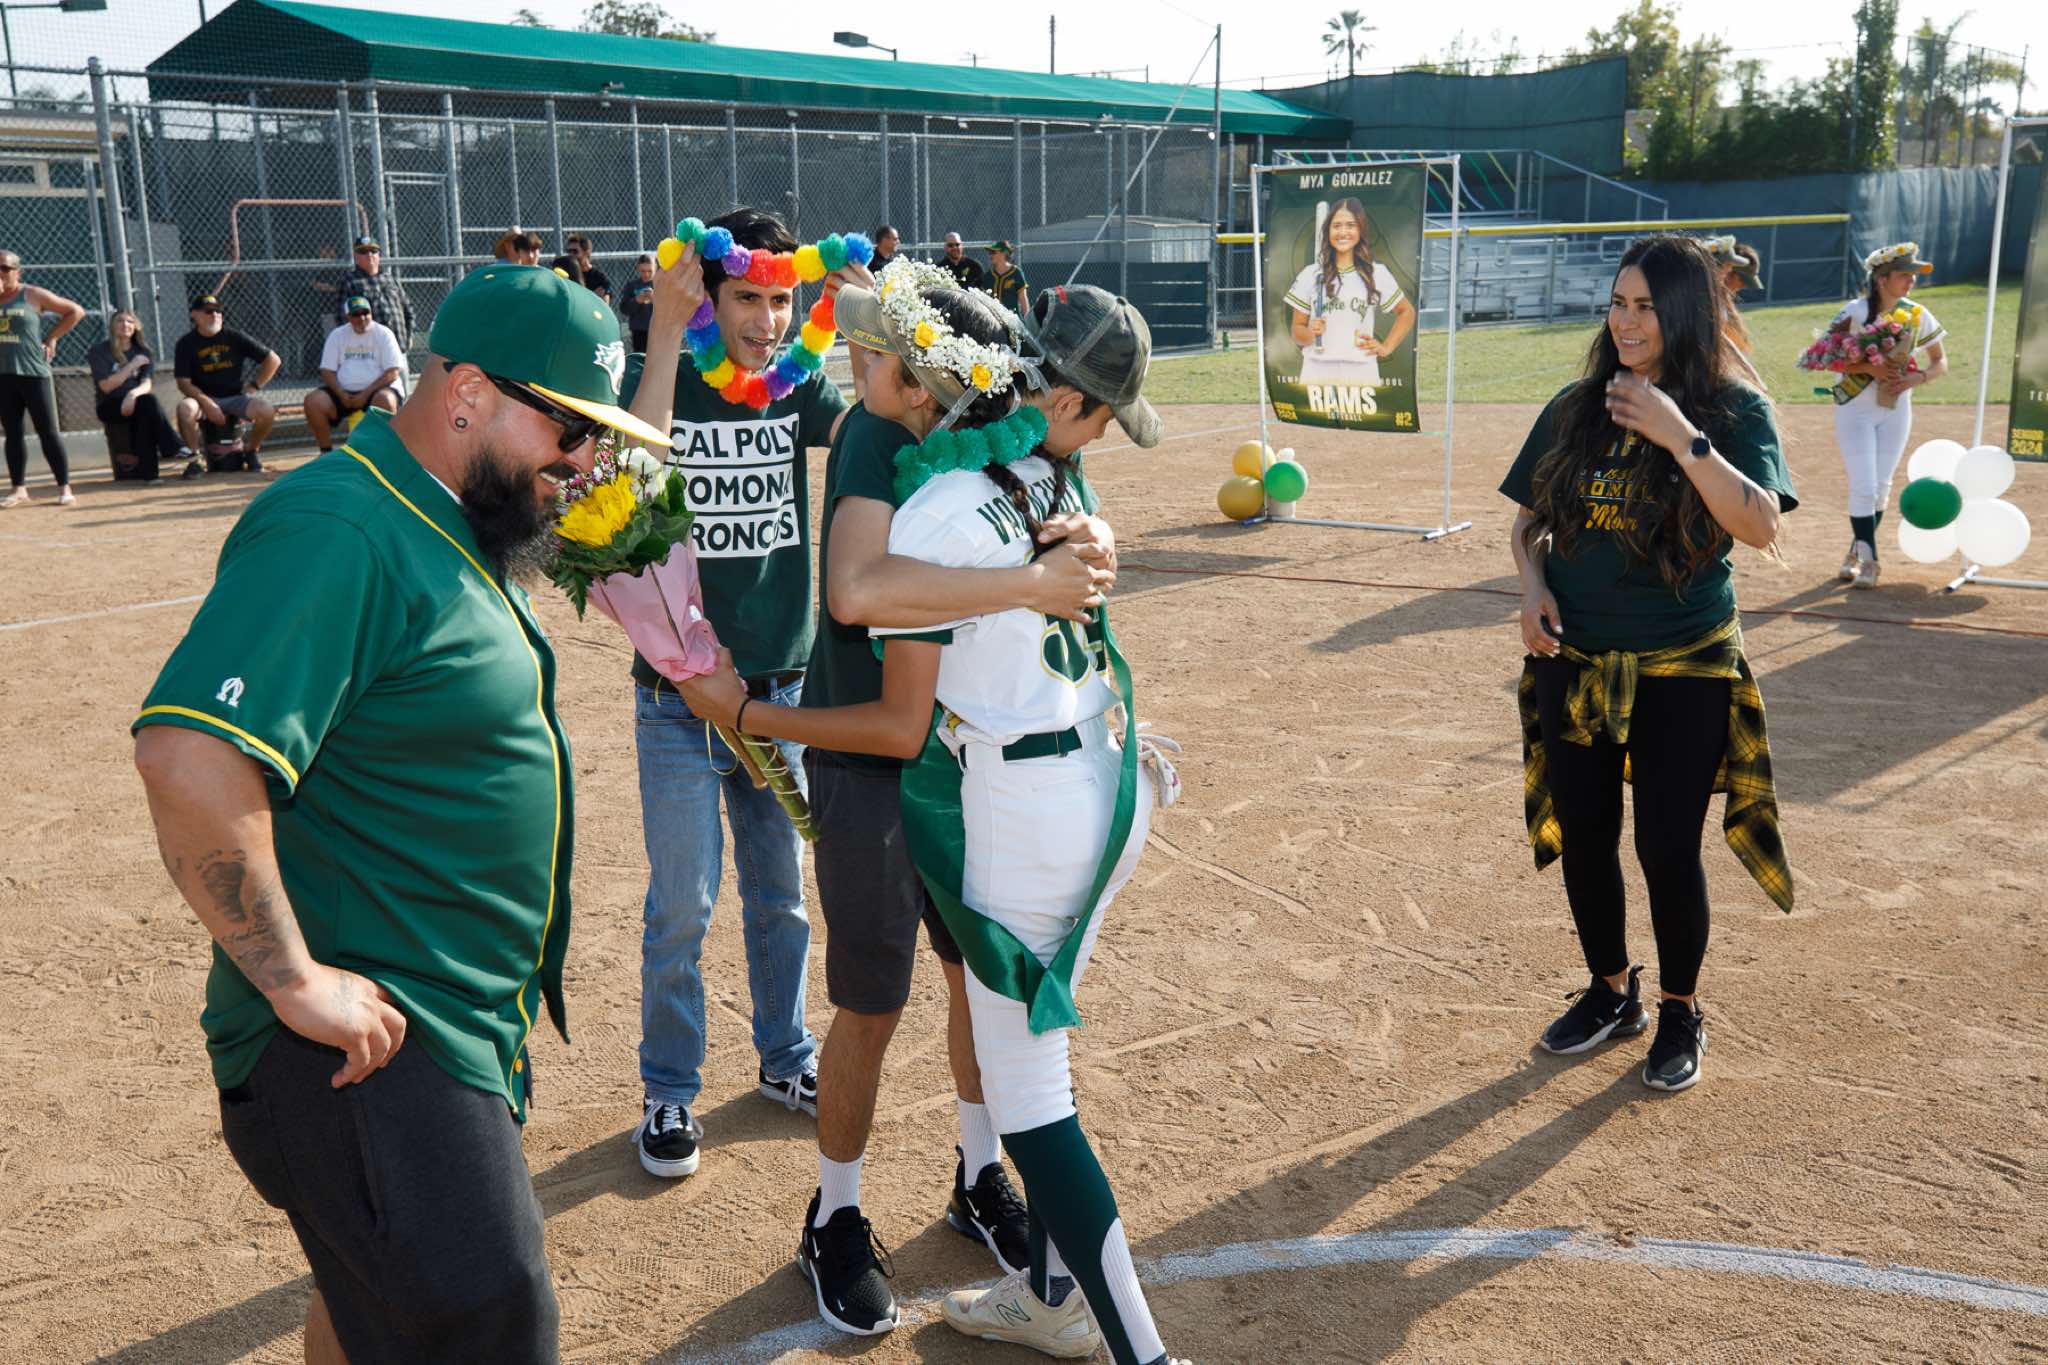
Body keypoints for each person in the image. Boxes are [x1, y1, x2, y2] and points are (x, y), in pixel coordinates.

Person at [132, 263, 672, 1365]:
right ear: (466, 393)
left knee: (368, 1302)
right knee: (489, 1320)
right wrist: (294, 981)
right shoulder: (344, 524)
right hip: (368, 1043)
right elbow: (189, 756)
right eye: (571, 430)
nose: (586, 461)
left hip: (441, 1016)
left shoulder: (448, 508)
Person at [681, 281, 1185, 1365]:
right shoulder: (916, 449)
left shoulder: (982, 468)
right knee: (888, 1004)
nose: (856, 368)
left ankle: (1007, 1206)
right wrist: (1033, 578)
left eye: (878, 357)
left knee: (1001, 1036)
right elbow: (861, 598)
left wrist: (743, 713)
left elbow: (900, 603)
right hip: (976, 768)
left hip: (986, 783)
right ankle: (855, 1218)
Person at [1501, 234, 1797, 1095]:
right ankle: (1610, 990)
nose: (1627, 323)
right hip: (1574, 657)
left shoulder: (1733, 412)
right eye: (1618, 304)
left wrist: (1680, 436)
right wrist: (1531, 585)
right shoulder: (1577, 406)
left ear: (1686, 313)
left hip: (1684, 665)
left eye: (1646, 307)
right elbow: (1528, 520)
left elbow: (1761, 526)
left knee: (1667, 846)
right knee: (1586, 835)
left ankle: (1679, 1009)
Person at [614, 206, 863, 1183]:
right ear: (708, 299)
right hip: (676, 701)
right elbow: (633, 464)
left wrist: (877, 328)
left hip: (780, 691)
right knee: (682, 903)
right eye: (746, 299)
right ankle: (669, 1088)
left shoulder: (795, 386)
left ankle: (785, 1057)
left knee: (781, 896)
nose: (766, 320)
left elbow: (871, 434)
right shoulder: (675, 379)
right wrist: (664, 333)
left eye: (780, 300)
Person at [1826, 242, 1949, 589]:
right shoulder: (1854, 311)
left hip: (1896, 408)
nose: (1912, 280)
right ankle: (1871, 562)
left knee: (1881, 487)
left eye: (1914, 275)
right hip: (1855, 409)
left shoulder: (1917, 313)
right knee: (1863, 485)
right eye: (1905, 274)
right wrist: (1869, 367)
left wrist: (1916, 378)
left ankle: (1855, 551)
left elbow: (1940, 361)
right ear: (1882, 279)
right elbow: (1828, 357)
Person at [1284, 197, 1417, 388]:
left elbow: (1407, 312)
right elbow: (1297, 332)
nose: (1343, 232)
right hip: (1317, 371)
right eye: (1336, 226)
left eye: (1350, 225)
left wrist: (1386, 347)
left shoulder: (1376, 273)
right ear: (1328, 230)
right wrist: (1311, 333)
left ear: (1360, 229)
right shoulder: (1310, 274)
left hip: (1361, 371)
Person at [0, 248, 84, 508]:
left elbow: (75, 311)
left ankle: (64, 487)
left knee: (47, 430)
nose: (0, 273)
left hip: (33, 372)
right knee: (13, 433)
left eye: (5, 268)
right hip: (3, 374)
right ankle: (19, 489)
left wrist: (52, 337)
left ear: (18, 272)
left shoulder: (32, 294)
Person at [173, 294, 280, 478]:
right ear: (194, 315)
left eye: (218, 311)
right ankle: (194, 460)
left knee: (267, 411)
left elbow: (273, 360)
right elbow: (184, 383)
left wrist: (254, 385)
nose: (215, 315)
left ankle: (251, 451)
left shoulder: (234, 337)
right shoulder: (186, 343)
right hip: (202, 398)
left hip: (235, 397)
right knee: (185, 409)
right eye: (208, 311)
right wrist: (207, 402)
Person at [89, 309, 188, 483]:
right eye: (120, 321)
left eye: (130, 321)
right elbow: (106, 386)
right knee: (148, 404)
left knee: (146, 408)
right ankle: (173, 447)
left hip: (136, 401)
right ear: (112, 326)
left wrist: (132, 395)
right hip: (109, 405)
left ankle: (150, 475)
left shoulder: (144, 351)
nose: (125, 325)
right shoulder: (100, 351)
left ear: (136, 327)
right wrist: (132, 365)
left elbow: (146, 383)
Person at [306, 295, 407, 453]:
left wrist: (365, 395)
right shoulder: (337, 335)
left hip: (377, 390)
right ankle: (325, 452)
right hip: (344, 393)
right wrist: (341, 394)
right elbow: (326, 370)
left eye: (365, 313)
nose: (362, 318)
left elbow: (393, 372)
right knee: (313, 401)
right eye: (356, 314)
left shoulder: (384, 333)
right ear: (348, 317)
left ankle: (383, 452)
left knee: (385, 400)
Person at [336, 234, 415, 352]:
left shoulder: (390, 279)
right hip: (370, 352)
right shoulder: (349, 281)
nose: (369, 255)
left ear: (379, 255)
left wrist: (409, 338)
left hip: (398, 349)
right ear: (356, 257)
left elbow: (408, 310)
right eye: (363, 252)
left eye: (373, 251)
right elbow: (343, 318)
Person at [550, 234, 611, 302]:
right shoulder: (566, 274)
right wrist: (592, 296)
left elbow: (604, 304)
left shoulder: (599, 278)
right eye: (569, 251)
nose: (571, 255)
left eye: (575, 251)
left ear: (586, 252)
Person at [620, 253, 657, 351]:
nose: (646, 274)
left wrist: (655, 299)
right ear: (637, 269)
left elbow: (668, 309)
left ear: (655, 268)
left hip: (658, 329)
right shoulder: (632, 286)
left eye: (650, 271)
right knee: (641, 357)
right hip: (638, 330)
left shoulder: (660, 285)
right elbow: (624, 309)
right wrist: (636, 301)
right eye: (643, 271)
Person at [986, 240, 1029, 316]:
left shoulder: (1016, 273)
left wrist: (1027, 319)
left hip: (1012, 319)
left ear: (1003, 254)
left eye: (993, 252)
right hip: (993, 319)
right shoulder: (989, 275)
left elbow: (1023, 299)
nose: (990, 255)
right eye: (989, 253)